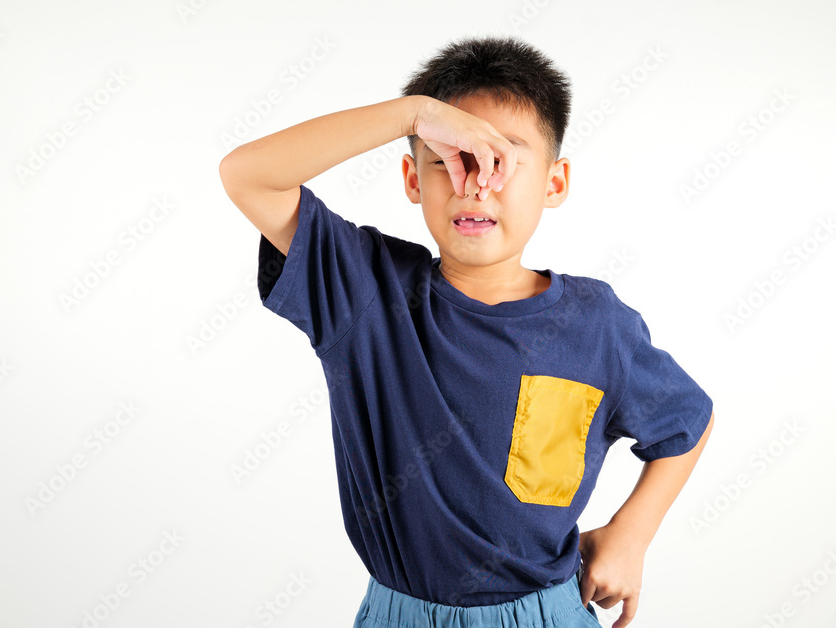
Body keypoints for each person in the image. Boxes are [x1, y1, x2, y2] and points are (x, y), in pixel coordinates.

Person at [219, 35, 714, 628]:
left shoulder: (597, 324)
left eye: (502, 161)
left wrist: (632, 534)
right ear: (412, 178)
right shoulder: (365, 288)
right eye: (450, 158)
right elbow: (247, 175)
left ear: (554, 183)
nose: (475, 183)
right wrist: (414, 115)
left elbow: (688, 420)